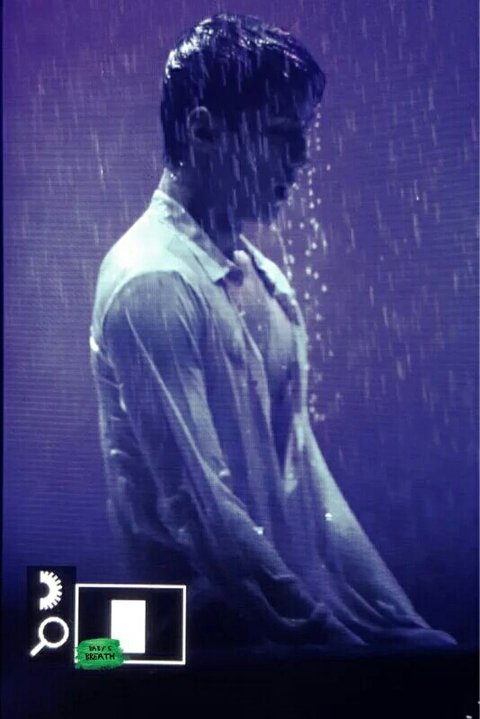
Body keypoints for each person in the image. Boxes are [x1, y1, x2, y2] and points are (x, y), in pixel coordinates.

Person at [90, 13, 455, 651]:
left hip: (282, 641)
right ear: (204, 129)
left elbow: (309, 489)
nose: (304, 158)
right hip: (185, 650)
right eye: (283, 133)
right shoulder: (151, 282)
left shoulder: (267, 283)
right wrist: (335, 650)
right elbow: (205, 515)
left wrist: (402, 628)